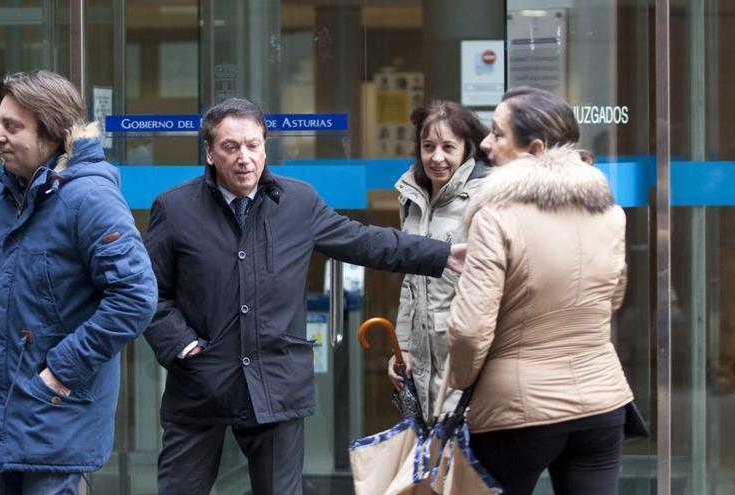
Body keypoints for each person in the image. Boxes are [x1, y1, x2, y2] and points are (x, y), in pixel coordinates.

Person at [144, 97, 465, 495]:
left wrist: (443, 254)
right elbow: (150, 295)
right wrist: (184, 346)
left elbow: (365, 242)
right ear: (209, 152)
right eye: (231, 147)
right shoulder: (175, 208)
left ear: (265, 147)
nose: (244, 158)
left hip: (276, 384)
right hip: (200, 385)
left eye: (253, 145)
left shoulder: (297, 202)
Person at [0, 70, 158, 495]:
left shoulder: (90, 197)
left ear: (52, 134)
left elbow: (135, 297)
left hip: (59, 415)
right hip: (6, 418)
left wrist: (59, 372)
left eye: (12, 127)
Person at [446, 86, 634, 495]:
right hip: (602, 403)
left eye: (497, 133)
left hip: (516, 411)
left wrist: (461, 382)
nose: (484, 143)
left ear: (533, 149)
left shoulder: (496, 217)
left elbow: (468, 330)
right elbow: (612, 297)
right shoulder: (610, 212)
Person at [389, 100, 490, 422]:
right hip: (421, 354)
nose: (437, 157)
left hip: (464, 356)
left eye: (449, 147)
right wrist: (402, 348)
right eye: (428, 146)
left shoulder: (485, 196)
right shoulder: (411, 195)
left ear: (467, 148)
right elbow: (410, 283)